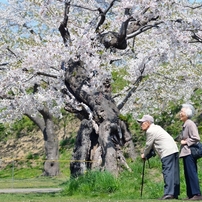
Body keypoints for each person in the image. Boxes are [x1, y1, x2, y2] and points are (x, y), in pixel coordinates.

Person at [137, 114, 180, 200]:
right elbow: (153, 147)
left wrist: (144, 155)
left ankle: (168, 193)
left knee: (167, 172)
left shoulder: (150, 131)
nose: (141, 125)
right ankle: (174, 193)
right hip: (174, 150)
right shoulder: (157, 128)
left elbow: (148, 145)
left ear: (148, 123)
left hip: (166, 152)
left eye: (142, 123)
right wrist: (148, 155)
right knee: (174, 173)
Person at [178, 103, 202, 200]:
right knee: (188, 173)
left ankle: (196, 194)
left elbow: (196, 137)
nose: (180, 114)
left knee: (191, 173)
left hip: (190, 152)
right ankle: (191, 194)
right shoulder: (186, 124)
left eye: (182, 112)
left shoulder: (190, 123)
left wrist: (185, 141)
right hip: (186, 152)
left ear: (187, 113)